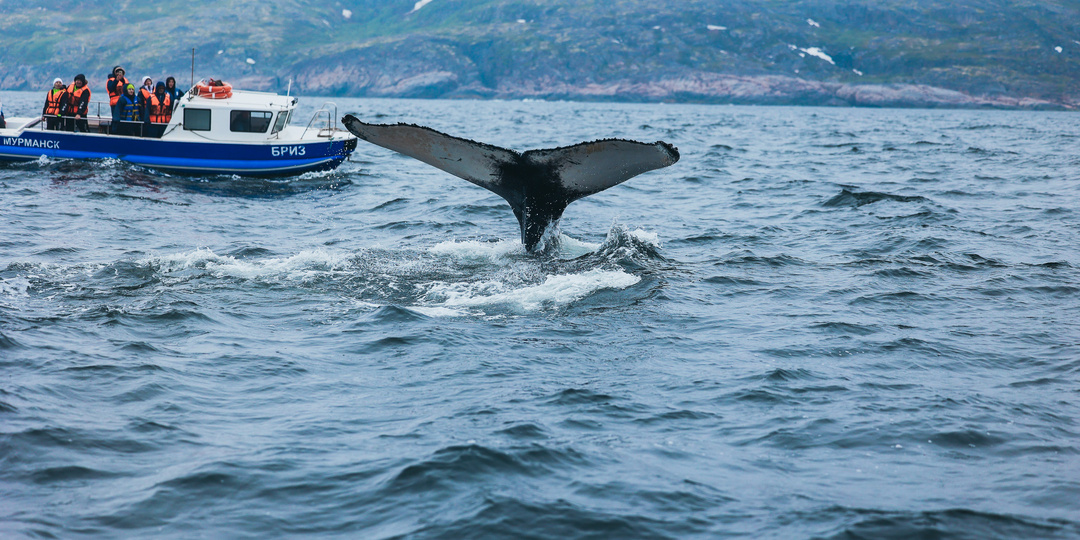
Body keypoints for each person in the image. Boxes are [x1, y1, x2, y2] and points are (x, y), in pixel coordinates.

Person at [106, 66, 129, 133]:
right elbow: (111, 88)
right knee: (116, 119)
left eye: (121, 72)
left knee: (124, 119)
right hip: (115, 103)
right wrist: (116, 80)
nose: (119, 73)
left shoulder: (125, 80)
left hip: (124, 102)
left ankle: (123, 132)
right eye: (117, 72)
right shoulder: (111, 80)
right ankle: (114, 132)